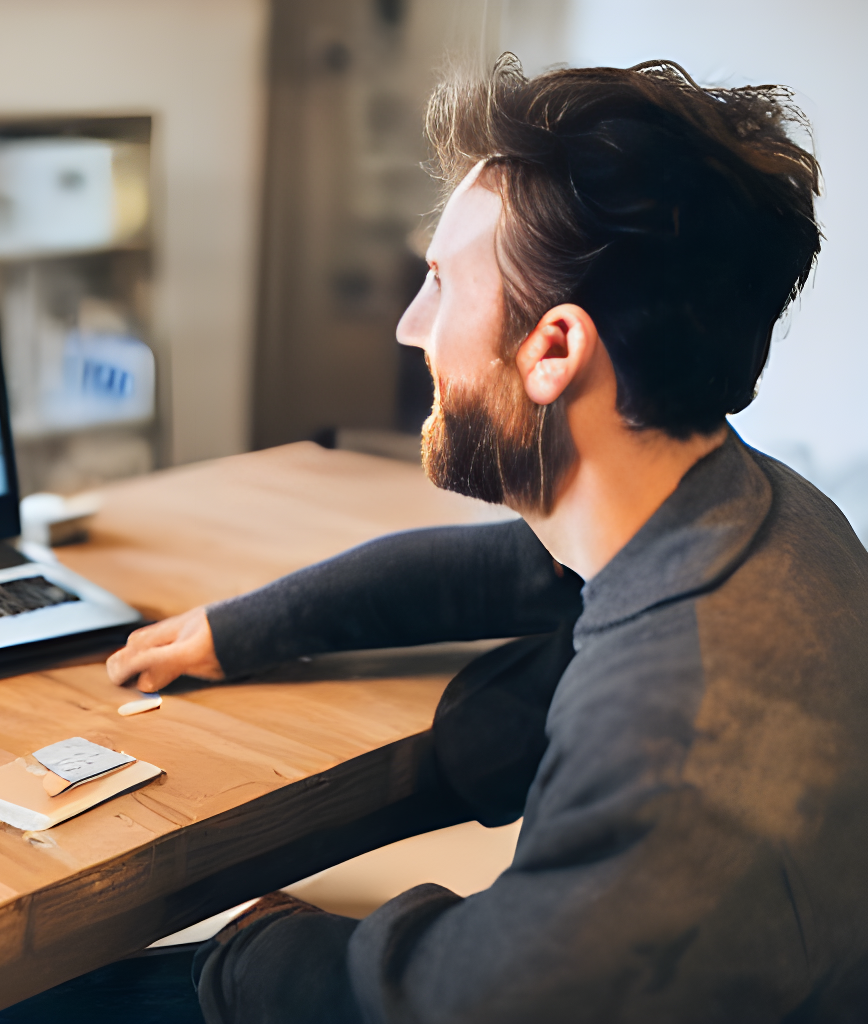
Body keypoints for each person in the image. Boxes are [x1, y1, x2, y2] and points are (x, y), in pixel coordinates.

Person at [107, 56, 868, 1022]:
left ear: (554, 349)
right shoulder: (761, 515)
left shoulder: (676, 754)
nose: (408, 327)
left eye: (438, 284)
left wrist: (257, 938)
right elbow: (501, 573)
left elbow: (445, 1001)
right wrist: (244, 625)